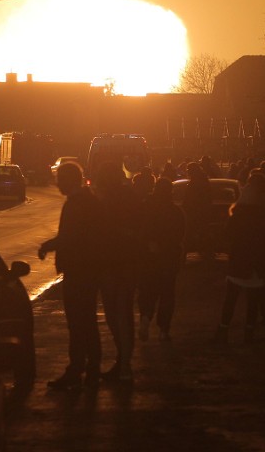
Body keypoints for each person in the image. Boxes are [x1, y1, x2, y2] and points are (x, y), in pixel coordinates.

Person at [39, 162, 104, 390]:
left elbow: (70, 237)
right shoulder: (88, 201)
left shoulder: (77, 204)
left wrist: (48, 245)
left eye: (60, 179)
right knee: (86, 322)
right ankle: (91, 367)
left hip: (80, 270)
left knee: (78, 323)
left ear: (69, 180)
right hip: (88, 269)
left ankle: (77, 369)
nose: (57, 184)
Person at [214, 171, 265, 343]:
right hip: (258, 262)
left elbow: (227, 235)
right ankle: (249, 332)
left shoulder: (239, 212)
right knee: (253, 299)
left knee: (231, 298)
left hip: (239, 259)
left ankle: (223, 331)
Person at [92, 161, 141, 384]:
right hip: (125, 262)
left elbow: (102, 230)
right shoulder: (128, 196)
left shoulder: (106, 200)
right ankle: (124, 363)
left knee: (116, 315)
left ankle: (124, 364)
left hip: (113, 263)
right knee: (122, 314)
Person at [137, 178, 186, 342]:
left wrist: (148, 245)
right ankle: (164, 329)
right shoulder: (176, 212)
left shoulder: (145, 208)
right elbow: (179, 235)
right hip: (168, 259)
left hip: (148, 258)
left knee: (147, 291)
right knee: (167, 294)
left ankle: (145, 317)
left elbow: (139, 232)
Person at [182, 162, 215, 262]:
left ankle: (185, 254)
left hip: (195, 211)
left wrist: (186, 207)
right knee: (203, 232)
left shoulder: (195, 182)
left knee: (189, 233)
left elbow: (190, 198)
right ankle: (207, 252)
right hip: (203, 211)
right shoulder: (204, 180)